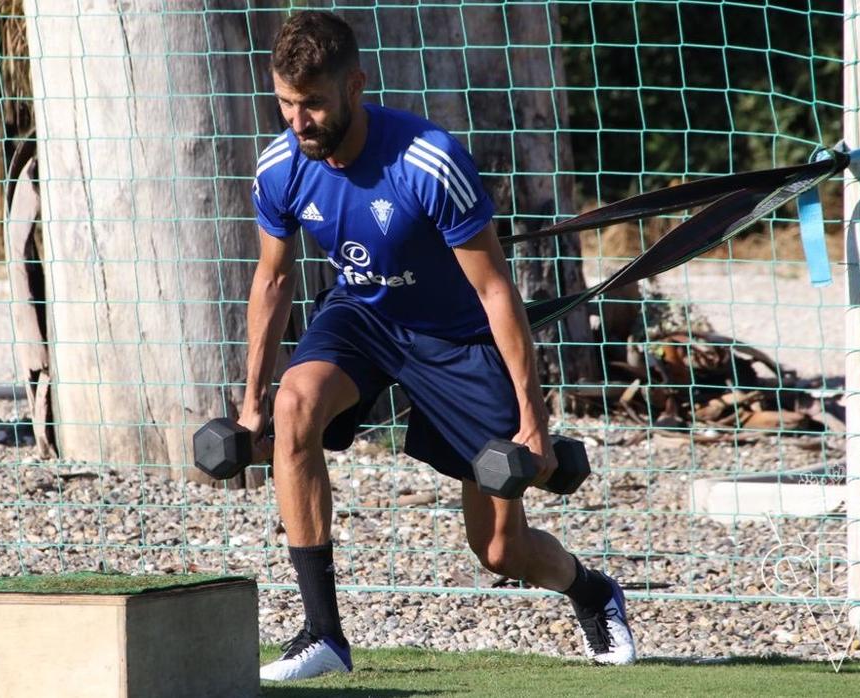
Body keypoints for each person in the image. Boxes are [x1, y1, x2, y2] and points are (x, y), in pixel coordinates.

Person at [240, 10, 636, 682]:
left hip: (454, 336)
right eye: (285, 103)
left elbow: (495, 293)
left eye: (311, 104)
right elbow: (273, 279)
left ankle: (592, 592)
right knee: (294, 407)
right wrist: (250, 401)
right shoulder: (281, 166)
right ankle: (322, 635)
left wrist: (533, 426)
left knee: (498, 551)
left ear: (355, 85)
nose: (297, 121)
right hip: (362, 315)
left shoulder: (427, 160)